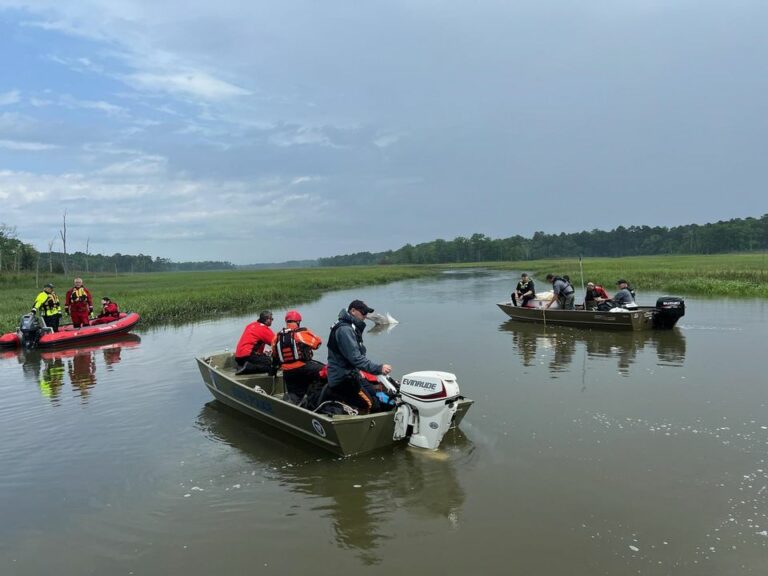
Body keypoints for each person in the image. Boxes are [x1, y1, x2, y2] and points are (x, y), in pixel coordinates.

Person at [325, 299, 392, 414]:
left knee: (377, 394)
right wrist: (378, 368)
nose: (365, 316)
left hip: (352, 375)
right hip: (342, 379)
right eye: (363, 312)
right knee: (371, 404)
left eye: (366, 313)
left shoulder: (350, 326)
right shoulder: (344, 330)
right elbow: (355, 358)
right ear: (353, 310)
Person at [272, 310, 324, 404]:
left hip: (287, 372)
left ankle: (293, 402)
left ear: (286, 322)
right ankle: (315, 398)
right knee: (326, 371)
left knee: (295, 394)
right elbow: (318, 344)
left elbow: (275, 355)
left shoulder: (277, 337)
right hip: (303, 367)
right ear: (298, 322)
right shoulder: (301, 333)